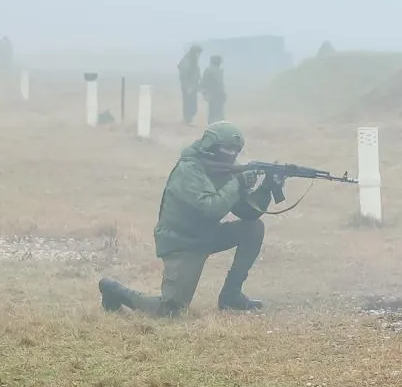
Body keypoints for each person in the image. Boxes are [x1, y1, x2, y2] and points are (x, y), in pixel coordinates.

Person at [99, 121, 277, 315]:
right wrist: (237, 183)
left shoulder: (226, 170)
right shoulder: (189, 170)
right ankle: (115, 291)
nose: (232, 155)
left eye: (235, 151)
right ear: (210, 146)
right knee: (171, 311)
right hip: (182, 242)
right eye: (227, 149)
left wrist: (266, 187)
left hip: (206, 234)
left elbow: (248, 213)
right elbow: (211, 208)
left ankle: (231, 295)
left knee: (253, 228)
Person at [177, 45, 204, 124]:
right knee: (188, 103)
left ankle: (189, 119)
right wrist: (187, 87)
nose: (199, 55)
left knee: (193, 105)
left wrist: (198, 86)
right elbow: (183, 76)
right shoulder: (187, 61)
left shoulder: (194, 61)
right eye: (198, 53)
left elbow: (196, 75)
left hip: (193, 86)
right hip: (187, 86)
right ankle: (187, 120)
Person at [200, 54, 226, 122]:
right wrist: (205, 94)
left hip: (217, 94)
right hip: (214, 94)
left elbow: (220, 84)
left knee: (217, 111)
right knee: (215, 112)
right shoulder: (210, 70)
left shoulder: (218, 70)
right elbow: (204, 83)